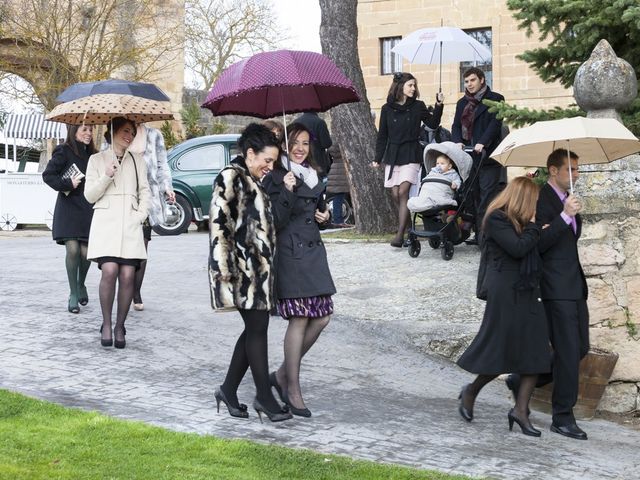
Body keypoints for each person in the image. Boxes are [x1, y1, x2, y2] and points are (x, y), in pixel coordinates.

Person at [209, 123, 292, 423]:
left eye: (273, 162)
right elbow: (220, 227)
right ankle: (264, 397)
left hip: (259, 273)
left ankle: (228, 391)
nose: (270, 166)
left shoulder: (255, 181)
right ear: (249, 153)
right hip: (240, 272)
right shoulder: (231, 177)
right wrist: (225, 272)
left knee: (254, 330)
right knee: (257, 329)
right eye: (266, 160)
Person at [456, 176, 550, 437]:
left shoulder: (522, 223)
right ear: (524, 199)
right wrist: (535, 228)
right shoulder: (496, 218)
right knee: (502, 349)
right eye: (535, 201)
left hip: (529, 289)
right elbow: (518, 248)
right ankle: (471, 390)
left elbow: (533, 246)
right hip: (505, 290)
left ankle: (520, 411)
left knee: (536, 350)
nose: (537, 206)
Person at [507, 149, 590, 440]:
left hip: (574, 284)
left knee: (580, 349)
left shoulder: (568, 199)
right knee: (567, 351)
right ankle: (563, 417)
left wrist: (571, 214)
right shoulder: (541, 199)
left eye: (577, 169)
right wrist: (565, 216)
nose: (576, 175)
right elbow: (537, 243)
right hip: (554, 286)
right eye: (571, 169)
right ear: (553, 170)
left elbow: (568, 240)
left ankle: (523, 380)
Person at [263, 122, 336, 418]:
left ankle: (281, 374)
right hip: (291, 253)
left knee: (322, 317)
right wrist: (288, 190)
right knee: (301, 316)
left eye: (305, 142)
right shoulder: (276, 176)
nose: (300, 148)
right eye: (295, 141)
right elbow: (276, 221)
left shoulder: (314, 174)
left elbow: (317, 211)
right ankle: (292, 387)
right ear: (285, 143)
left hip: (313, 253)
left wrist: (325, 216)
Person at [84, 117, 150, 349]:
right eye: (124, 130)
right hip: (106, 225)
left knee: (128, 276)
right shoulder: (96, 160)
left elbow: (145, 191)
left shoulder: (138, 161)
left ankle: (120, 325)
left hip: (130, 224)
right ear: (112, 132)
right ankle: (106, 323)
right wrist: (107, 175)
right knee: (110, 271)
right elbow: (89, 195)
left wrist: (140, 215)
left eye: (131, 132)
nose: (129, 135)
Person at [373, 72, 444, 247]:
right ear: (400, 87)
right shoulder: (386, 108)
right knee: (395, 194)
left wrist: (439, 105)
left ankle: (399, 235)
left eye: (414, 85)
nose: (413, 88)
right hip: (393, 155)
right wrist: (377, 158)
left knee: (403, 191)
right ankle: (408, 228)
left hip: (411, 153)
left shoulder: (418, 106)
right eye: (410, 85)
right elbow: (382, 136)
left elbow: (433, 124)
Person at [42, 124, 98, 314]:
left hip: (88, 208)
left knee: (86, 253)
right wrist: (67, 183)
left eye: (91, 129)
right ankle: (73, 293)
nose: (89, 133)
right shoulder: (63, 151)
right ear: (73, 131)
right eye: (84, 129)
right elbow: (48, 175)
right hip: (68, 207)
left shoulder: (95, 156)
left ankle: (81, 284)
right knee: (73, 250)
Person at [451, 67, 505, 243]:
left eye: (472, 80)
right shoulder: (462, 103)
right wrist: (457, 140)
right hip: (468, 157)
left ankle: (485, 236)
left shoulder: (496, 99)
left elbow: (495, 125)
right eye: (466, 81)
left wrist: (483, 142)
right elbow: (456, 126)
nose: (469, 84)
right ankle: (476, 231)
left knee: (487, 197)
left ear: (482, 79)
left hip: (488, 157)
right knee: (472, 196)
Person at [128, 125, 176, 311]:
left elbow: (162, 164)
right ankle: (125, 285)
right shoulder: (117, 129)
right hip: (124, 198)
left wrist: (167, 188)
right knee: (125, 248)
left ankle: (136, 291)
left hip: (147, 198)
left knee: (143, 246)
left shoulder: (154, 135)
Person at [296, 111, 333, 176]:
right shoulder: (319, 122)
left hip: (300, 162)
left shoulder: (295, 123)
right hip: (318, 162)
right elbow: (326, 144)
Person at [326, 143, 351, 227]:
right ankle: (338, 220)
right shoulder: (341, 143)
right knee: (339, 197)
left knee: (338, 197)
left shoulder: (331, 143)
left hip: (335, 169)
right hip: (341, 171)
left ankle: (338, 220)